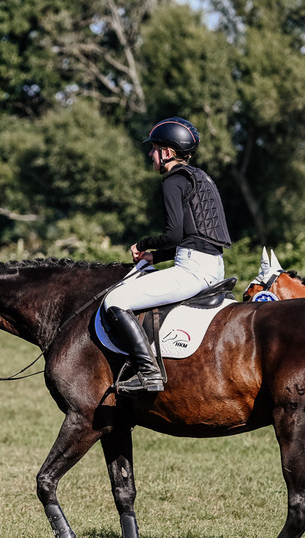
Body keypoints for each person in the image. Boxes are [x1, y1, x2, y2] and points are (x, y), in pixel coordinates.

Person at [102, 117, 232, 393]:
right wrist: (156, 258)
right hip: (213, 266)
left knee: (115, 299)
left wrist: (143, 243)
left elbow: (173, 235)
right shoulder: (201, 178)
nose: (151, 154)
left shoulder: (173, 181)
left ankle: (148, 371)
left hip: (193, 270)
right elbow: (192, 236)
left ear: (168, 153)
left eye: (155, 148)